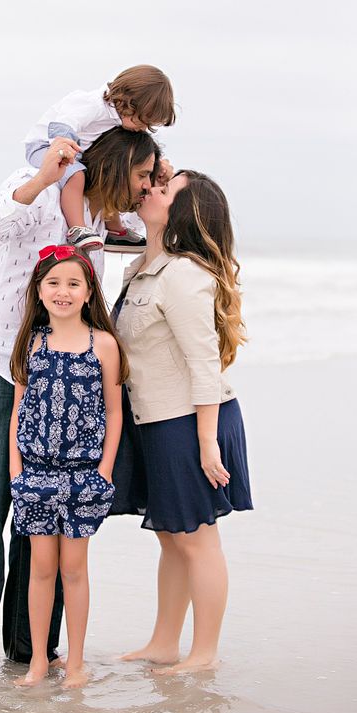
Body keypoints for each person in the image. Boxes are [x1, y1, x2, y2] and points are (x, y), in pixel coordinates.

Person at [0, 126, 159, 677]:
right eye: (139, 174)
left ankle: (29, 649)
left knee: (44, 521)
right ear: (113, 165)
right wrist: (40, 178)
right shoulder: (35, 187)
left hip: (57, 380)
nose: (143, 186)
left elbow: (141, 245)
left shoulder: (91, 225)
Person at [110, 171, 254, 674]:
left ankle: (204, 654)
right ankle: (164, 643)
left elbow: (204, 362)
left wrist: (207, 442)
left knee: (197, 538)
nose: (150, 189)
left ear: (184, 212)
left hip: (192, 420)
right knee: (170, 535)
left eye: (164, 189)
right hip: (155, 420)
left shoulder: (184, 275)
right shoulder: (145, 267)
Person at [8, 245, 128, 688]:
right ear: (39, 291)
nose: (63, 292)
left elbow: (114, 413)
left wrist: (105, 471)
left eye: (73, 283)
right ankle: (39, 660)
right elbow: (18, 410)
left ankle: (75, 663)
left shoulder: (105, 345)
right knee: (41, 568)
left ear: (88, 291)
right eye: (53, 283)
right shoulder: (31, 342)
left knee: (74, 570)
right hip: (35, 474)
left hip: (84, 476)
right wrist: (16, 471)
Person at [24, 65, 176, 253]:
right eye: (142, 121)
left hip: (76, 149)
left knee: (109, 180)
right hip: (46, 146)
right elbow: (64, 123)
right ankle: (78, 228)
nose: (143, 128)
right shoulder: (92, 105)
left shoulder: (116, 118)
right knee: (77, 176)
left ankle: (114, 230)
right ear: (129, 103)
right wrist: (64, 149)